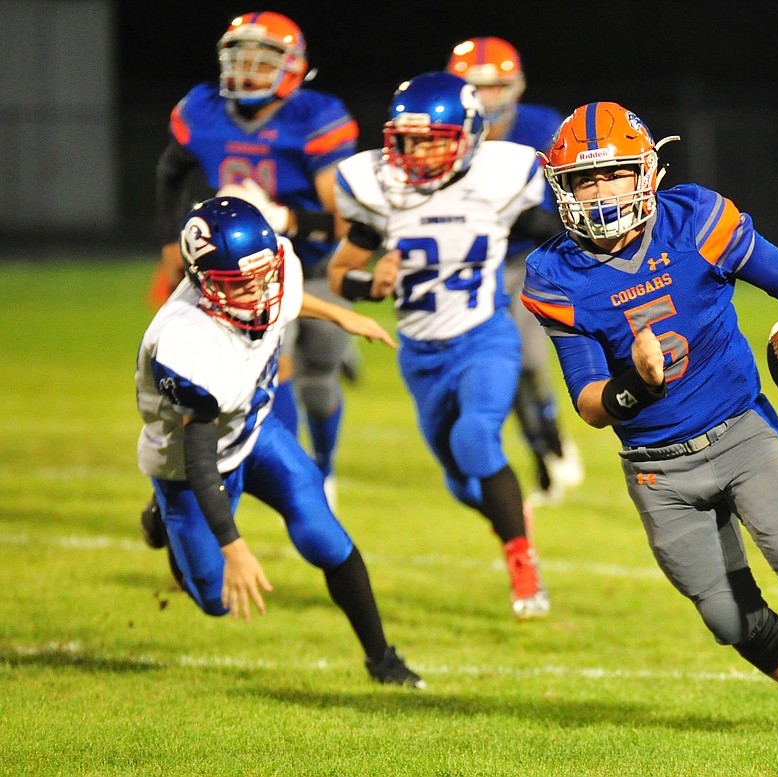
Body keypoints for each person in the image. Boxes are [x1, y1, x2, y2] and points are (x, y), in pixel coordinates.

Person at [521, 102, 778, 738]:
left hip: (740, 429)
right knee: (727, 619)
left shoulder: (696, 221)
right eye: (585, 179)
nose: (599, 191)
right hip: (658, 468)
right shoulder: (556, 274)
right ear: (564, 188)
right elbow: (590, 404)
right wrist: (636, 382)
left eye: (613, 174)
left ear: (648, 174)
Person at [136, 196, 423, 688]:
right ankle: (162, 514)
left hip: (256, 428)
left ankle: (383, 659)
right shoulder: (187, 343)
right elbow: (201, 459)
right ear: (202, 282)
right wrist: (236, 548)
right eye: (237, 285)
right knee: (215, 600)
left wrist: (340, 316)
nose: (255, 293)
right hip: (188, 468)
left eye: (260, 277)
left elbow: (286, 292)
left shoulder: (269, 268)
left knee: (325, 536)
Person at [327, 72, 562, 621]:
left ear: (468, 135)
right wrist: (372, 285)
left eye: (433, 137)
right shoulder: (381, 190)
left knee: (476, 433)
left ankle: (523, 566)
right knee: (460, 482)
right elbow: (340, 274)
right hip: (421, 355)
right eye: (408, 138)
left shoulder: (498, 177)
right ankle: (511, 516)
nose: (417, 150)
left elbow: (547, 224)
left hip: (485, 336)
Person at [151, 10, 358, 507]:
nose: (245, 71)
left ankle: (323, 465)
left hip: (315, 264)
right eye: (238, 58)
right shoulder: (202, 110)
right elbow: (170, 169)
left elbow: (344, 222)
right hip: (247, 271)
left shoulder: (314, 118)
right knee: (272, 364)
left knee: (319, 383)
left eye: (260, 62)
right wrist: (169, 237)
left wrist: (285, 219)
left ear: (291, 68)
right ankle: (289, 478)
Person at [446, 37, 583, 505]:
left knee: (525, 362)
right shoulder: (442, 129)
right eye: (475, 87)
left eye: (496, 86)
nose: (486, 98)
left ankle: (549, 436)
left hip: (527, 257)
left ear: (516, 86)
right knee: (483, 371)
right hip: (463, 262)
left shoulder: (542, 127)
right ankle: (539, 459)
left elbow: (565, 203)